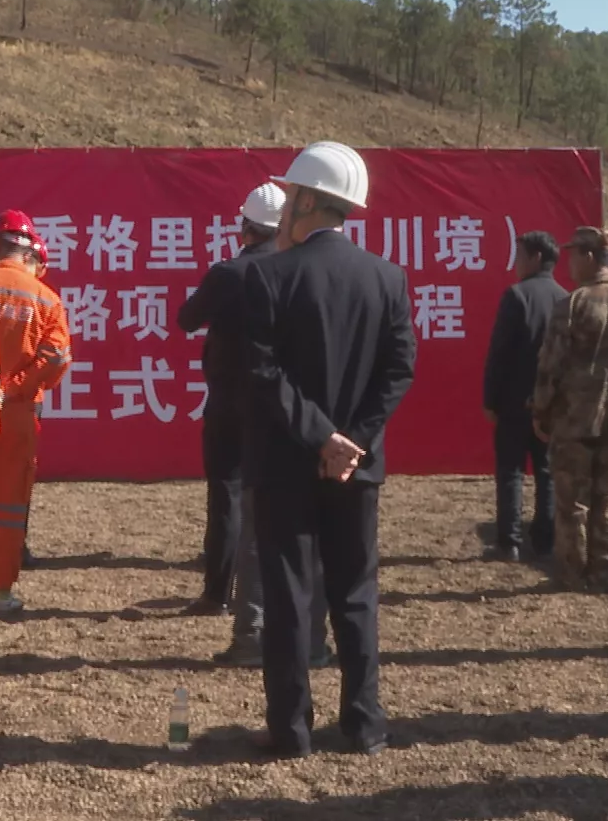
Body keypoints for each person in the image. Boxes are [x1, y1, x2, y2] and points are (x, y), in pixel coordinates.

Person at [242, 141, 417, 758]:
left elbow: (262, 376)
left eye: (291, 195)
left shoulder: (267, 276)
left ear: (311, 200)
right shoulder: (387, 278)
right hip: (356, 471)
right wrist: (356, 441)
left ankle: (291, 731)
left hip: (288, 463)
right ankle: (365, 724)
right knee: (355, 595)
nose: (285, 205)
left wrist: (321, 436)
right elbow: (399, 370)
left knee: (289, 598)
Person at [176, 182, 285, 617]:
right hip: (280, 401)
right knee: (276, 497)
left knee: (226, 495)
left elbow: (187, 319)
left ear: (245, 228)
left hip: (228, 399)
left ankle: (217, 593)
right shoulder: (294, 269)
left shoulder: (227, 274)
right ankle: (269, 591)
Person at [529, 227, 608, 593]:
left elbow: (550, 366)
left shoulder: (572, 305)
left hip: (574, 422)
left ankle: (572, 574)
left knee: (572, 503)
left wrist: (540, 411)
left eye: (574, 255)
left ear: (589, 257)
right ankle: (601, 572)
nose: (569, 262)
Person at [0, 211, 72, 613]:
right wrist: (12, 391)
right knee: (10, 506)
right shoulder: (46, 298)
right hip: (19, 412)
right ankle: (1, 593)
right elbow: (57, 356)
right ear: (30, 251)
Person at [482, 230, 567, 561]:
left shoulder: (516, 296)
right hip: (552, 404)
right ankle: (544, 540)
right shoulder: (566, 298)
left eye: (519, 256)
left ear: (535, 258)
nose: (515, 264)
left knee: (511, 471)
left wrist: (490, 399)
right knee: (546, 472)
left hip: (514, 402)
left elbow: (499, 353)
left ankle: (510, 542)